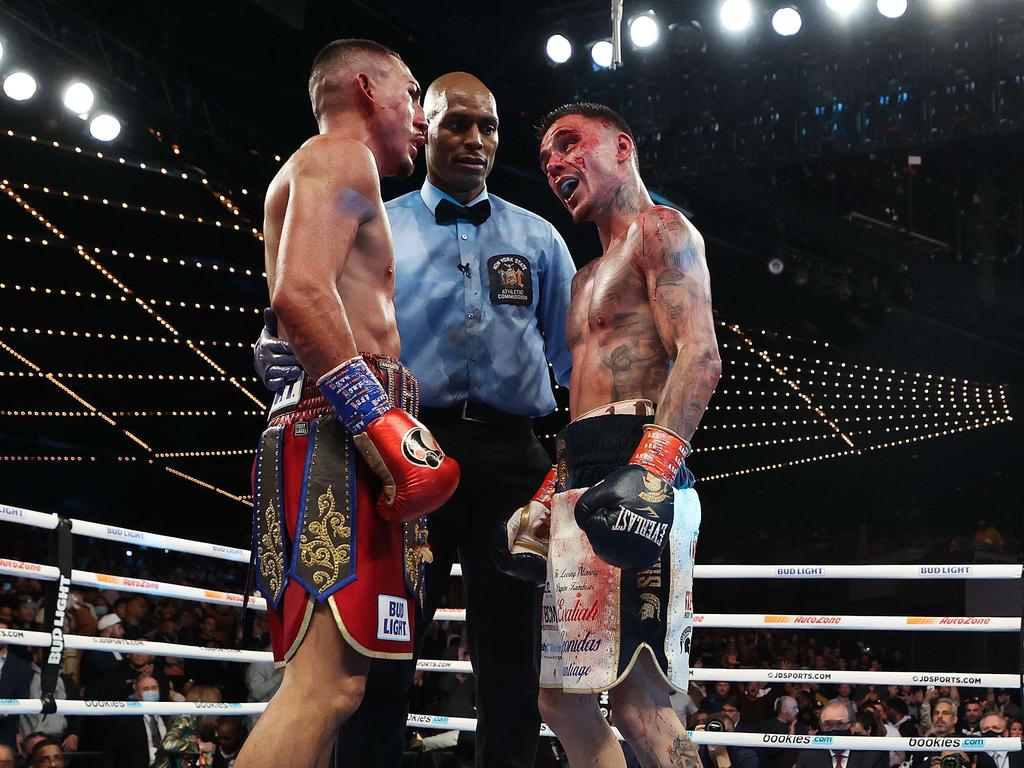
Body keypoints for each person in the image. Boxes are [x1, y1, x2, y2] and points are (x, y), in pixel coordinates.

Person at [253, 70, 576, 767]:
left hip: (513, 454)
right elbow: (307, 296)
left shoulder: (541, 239)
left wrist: (594, 449)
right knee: (380, 647)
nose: (475, 141)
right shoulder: (378, 215)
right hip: (400, 440)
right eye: (458, 123)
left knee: (514, 654)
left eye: (488, 127)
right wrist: (272, 342)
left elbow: (574, 357)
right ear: (425, 124)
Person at [236, 39, 459, 768]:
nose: (422, 118)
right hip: (340, 430)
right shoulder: (341, 154)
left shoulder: (321, 166)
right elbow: (299, 292)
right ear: (365, 88)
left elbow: (297, 300)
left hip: (330, 426)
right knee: (327, 689)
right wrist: (377, 418)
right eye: (411, 93)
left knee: (335, 685)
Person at [523, 102, 721, 766]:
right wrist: (547, 496)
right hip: (580, 475)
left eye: (570, 144)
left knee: (640, 704)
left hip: (641, 463)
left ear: (622, 146)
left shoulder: (662, 231)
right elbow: (583, 408)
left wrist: (653, 471)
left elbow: (701, 355)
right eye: (547, 156)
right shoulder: (582, 281)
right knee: (562, 700)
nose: (555, 162)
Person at [795, 702, 887, 768]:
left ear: (852, 726)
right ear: (821, 727)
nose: (834, 729)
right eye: (828, 725)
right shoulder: (808, 755)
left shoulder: (873, 754)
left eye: (840, 724)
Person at [101, 675, 166, 768]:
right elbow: (111, 752)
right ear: (137, 694)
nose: (151, 692)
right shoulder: (126, 719)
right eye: (146, 689)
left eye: (154, 688)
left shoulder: (167, 715)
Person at [154, 685, 221, 768]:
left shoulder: (199, 724)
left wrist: (208, 751)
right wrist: (199, 746)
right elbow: (167, 744)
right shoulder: (185, 717)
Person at [0, 623, 32, 752]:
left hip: (7, 728)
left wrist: (4, 712)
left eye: (3, 632)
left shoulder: (21, 666)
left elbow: (23, 697)